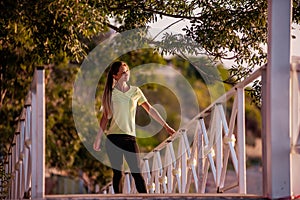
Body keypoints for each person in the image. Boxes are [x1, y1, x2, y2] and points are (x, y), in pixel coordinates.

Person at [93, 61, 176, 193]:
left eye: (127, 71)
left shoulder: (135, 91)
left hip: (130, 138)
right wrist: (98, 138)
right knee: (118, 174)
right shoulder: (111, 94)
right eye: (123, 73)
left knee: (137, 173)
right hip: (113, 138)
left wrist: (166, 126)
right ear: (115, 76)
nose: (127, 75)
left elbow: (151, 110)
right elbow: (105, 118)